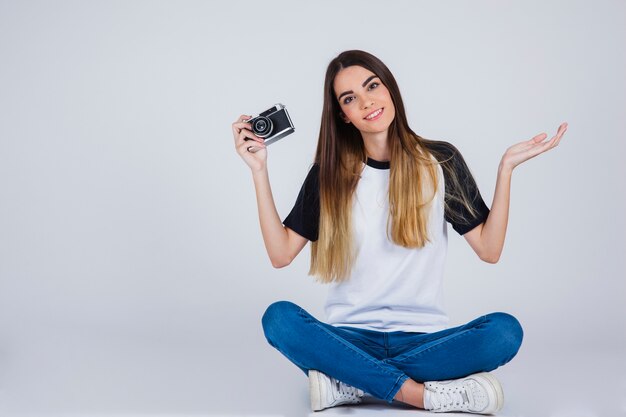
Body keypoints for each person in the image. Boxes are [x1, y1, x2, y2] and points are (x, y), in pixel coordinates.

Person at [231, 49, 568, 414]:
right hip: (347, 339)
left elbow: (489, 249)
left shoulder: (440, 162)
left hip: (424, 341)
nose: (366, 102)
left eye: (371, 86)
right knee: (279, 319)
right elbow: (281, 255)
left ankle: (351, 381)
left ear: (390, 89)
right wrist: (258, 171)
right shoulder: (328, 174)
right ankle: (420, 394)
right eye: (349, 98)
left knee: (504, 332)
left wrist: (506, 170)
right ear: (342, 115)